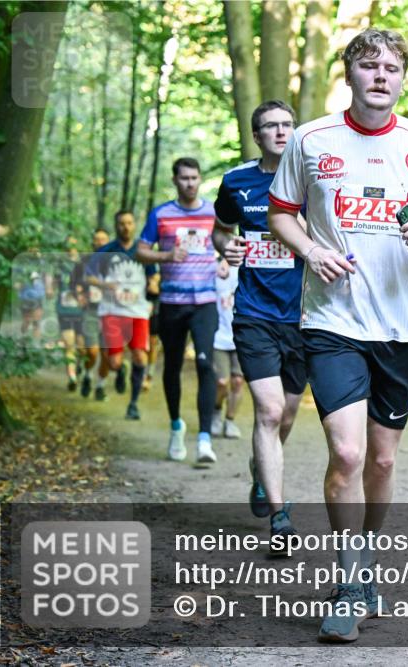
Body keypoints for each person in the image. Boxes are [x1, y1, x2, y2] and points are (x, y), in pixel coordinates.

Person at [267, 29, 408, 642]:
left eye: (392, 67)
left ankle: (367, 556)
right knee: (348, 454)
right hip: (331, 321)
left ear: (403, 78)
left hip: (398, 328)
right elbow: (282, 212)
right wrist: (309, 249)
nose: (381, 75)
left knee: (382, 460)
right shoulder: (310, 140)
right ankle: (349, 575)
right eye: (368, 65)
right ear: (349, 73)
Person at [212, 99, 306, 546]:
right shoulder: (236, 181)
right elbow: (221, 229)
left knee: (285, 415)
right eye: (271, 126)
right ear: (257, 136)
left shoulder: (314, 182)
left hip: (306, 316)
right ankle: (279, 515)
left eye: (288, 125)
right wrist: (225, 248)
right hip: (254, 313)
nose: (282, 132)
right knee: (268, 411)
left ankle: (260, 469)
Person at [136, 157, 219, 464]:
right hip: (172, 302)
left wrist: (224, 263)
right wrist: (167, 254)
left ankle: (205, 439)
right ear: (175, 180)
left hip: (205, 302)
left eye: (194, 177)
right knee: (171, 366)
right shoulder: (161, 214)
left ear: (199, 179)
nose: (189, 183)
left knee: (205, 364)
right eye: (184, 178)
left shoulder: (213, 212)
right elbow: (141, 252)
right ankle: (175, 427)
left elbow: (227, 244)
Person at [86, 211, 156, 421]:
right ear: (116, 226)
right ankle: (120, 369)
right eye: (121, 223)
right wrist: (104, 284)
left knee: (140, 355)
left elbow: (154, 275)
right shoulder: (106, 251)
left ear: (134, 225)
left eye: (129, 223)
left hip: (137, 311)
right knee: (114, 362)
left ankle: (133, 404)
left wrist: (154, 284)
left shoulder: (143, 251)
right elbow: (89, 276)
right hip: (111, 311)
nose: (125, 227)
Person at [211, 258, 245, 439]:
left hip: (240, 337)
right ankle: (216, 411)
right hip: (218, 337)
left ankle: (230, 420)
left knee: (238, 382)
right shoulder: (215, 269)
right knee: (221, 382)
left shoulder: (246, 269)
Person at [80, 228, 110, 399]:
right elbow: (74, 282)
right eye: (97, 240)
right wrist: (79, 294)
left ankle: (100, 386)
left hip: (111, 312)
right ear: (92, 242)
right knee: (92, 351)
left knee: (107, 353)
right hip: (90, 310)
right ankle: (87, 375)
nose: (100, 243)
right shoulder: (85, 261)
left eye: (103, 240)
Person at [54, 237, 86, 391]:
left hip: (81, 311)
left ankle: (79, 367)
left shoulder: (84, 264)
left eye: (74, 245)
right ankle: (72, 376)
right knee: (69, 344)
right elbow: (51, 286)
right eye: (68, 245)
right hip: (64, 310)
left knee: (82, 346)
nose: (70, 248)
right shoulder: (59, 266)